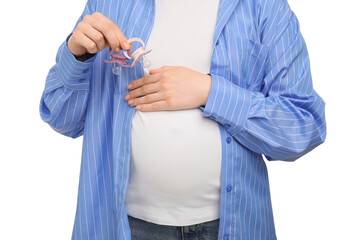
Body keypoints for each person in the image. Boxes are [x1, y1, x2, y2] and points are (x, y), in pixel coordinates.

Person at [39, 0, 327, 239]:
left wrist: (209, 91)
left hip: (232, 227)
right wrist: (75, 56)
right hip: (123, 226)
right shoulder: (110, 4)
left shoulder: (265, 8)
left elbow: (303, 125)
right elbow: (62, 118)